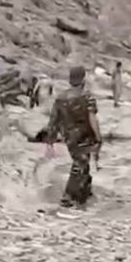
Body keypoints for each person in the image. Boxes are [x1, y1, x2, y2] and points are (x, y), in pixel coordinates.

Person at [46, 66, 102, 219]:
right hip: (85, 136)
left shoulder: (61, 98)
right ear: (83, 79)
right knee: (80, 165)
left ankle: (83, 197)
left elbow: (54, 120)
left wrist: (50, 141)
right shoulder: (87, 97)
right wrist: (98, 137)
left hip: (69, 137)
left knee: (82, 164)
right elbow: (92, 118)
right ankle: (68, 199)